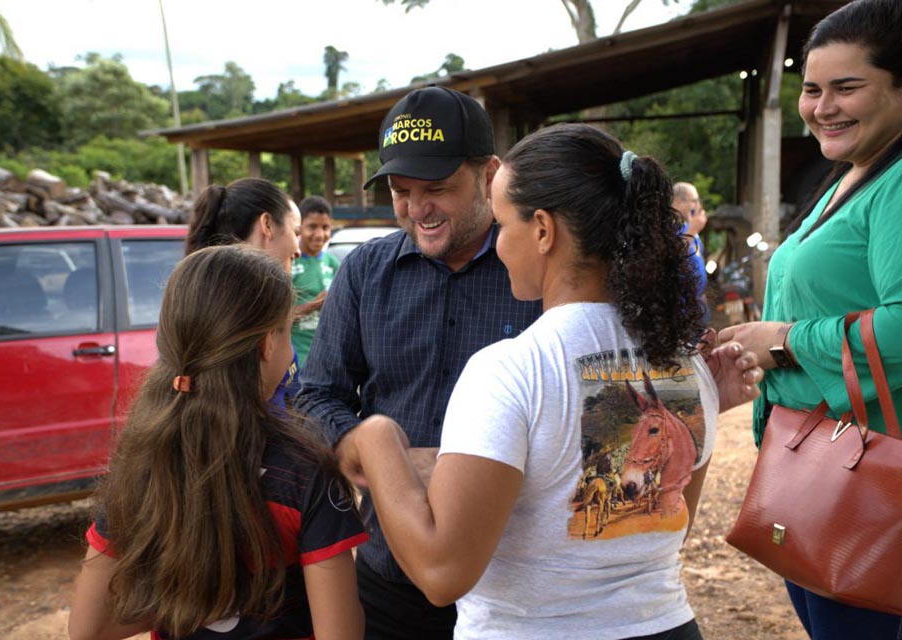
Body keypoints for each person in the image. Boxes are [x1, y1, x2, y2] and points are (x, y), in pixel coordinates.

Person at [337, 123, 764, 639]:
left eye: (501, 225)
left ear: (542, 230)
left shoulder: (512, 370)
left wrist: (376, 440)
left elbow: (442, 572)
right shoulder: (686, 364)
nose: (497, 246)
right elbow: (662, 524)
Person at [294, 86, 543, 638]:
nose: (416, 208)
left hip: (514, 585)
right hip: (389, 575)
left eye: (436, 188)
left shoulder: (535, 272)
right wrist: (371, 453)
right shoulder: (365, 272)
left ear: (489, 176)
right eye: (400, 191)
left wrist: (465, 470)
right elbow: (315, 396)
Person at [68, 245, 366, 640]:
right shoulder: (305, 472)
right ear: (267, 344)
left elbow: (88, 628)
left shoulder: (142, 462)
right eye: (286, 330)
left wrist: (195, 599)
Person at [719, 0, 902, 637]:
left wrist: (786, 342)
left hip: (869, 482)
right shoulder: (850, 176)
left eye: (846, 87)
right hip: (818, 471)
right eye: (812, 89)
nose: (823, 107)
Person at [185, 177, 303, 405]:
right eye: (295, 231)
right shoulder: (252, 313)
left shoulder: (204, 300)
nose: (298, 249)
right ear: (267, 225)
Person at [291, 195, 341, 368]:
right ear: (300, 228)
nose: (319, 235)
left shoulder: (333, 264)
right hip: (296, 360)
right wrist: (314, 305)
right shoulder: (289, 262)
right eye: (312, 227)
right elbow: (275, 320)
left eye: (325, 227)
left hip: (327, 359)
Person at [672, 181, 710, 324]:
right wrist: (692, 230)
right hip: (680, 307)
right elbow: (674, 256)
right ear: (677, 202)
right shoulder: (668, 227)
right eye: (693, 201)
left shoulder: (688, 226)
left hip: (697, 303)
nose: (697, 206)